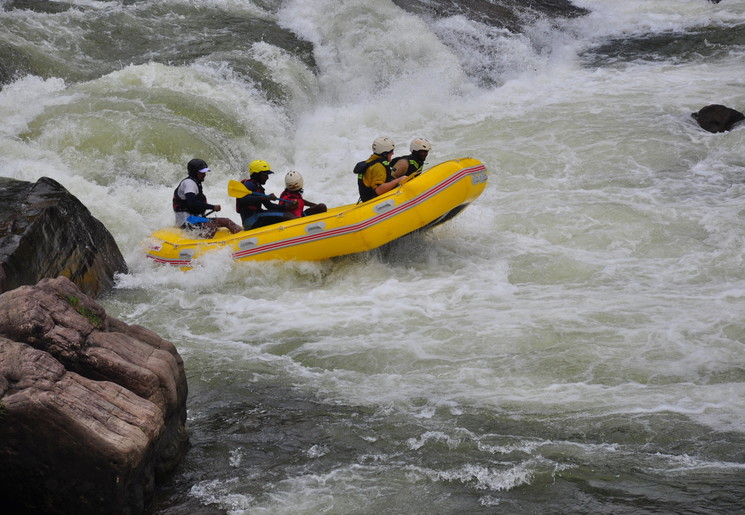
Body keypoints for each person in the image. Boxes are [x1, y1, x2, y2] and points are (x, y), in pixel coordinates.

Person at [173, 158, 242, 238]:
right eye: (202, 172)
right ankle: (204, 245)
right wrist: (212, 207)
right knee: (211, 226)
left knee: (226, 221)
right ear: (194, 172)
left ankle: (242, 236)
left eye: (205, 172)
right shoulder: (189, 184)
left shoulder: (196, 183)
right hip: (185, 220)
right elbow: (192, 203)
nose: (204, 174)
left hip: (195, 218)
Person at [236, 159, 297, 230]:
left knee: (287, 213)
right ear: (256, 174)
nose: (267, 177)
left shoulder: (258, 187)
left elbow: (270, 206)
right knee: (288, 216)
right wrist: (265, 198)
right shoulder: (248, 185)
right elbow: (244, 199)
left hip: (257, 216)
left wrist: (287, 207)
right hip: (251, 220)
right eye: (265, 175)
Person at [354, 136, 409, 203]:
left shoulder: (371, 160)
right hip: (374, 202)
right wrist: (399, 179)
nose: (393, 153)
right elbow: (379, 190)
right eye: (391, 151)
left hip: (368, 199)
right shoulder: (378, 166)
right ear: (384, 154)